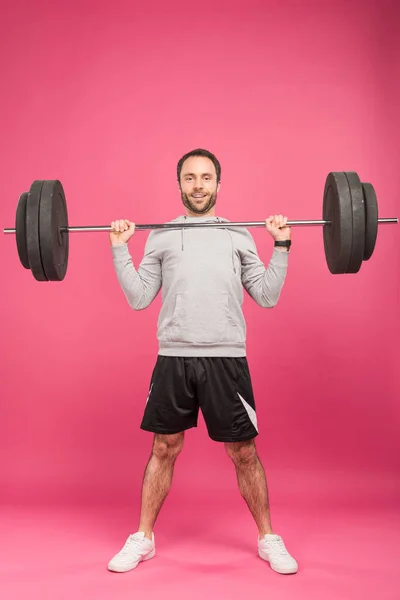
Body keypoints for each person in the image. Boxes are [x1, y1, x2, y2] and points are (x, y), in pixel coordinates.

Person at [107, 148, 298, 575]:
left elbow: (266, 295)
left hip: (226, 358)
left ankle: (269, 538)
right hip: (173, 357)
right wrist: (120, 248)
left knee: (243, 452)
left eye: (206, 177)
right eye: (190, 178)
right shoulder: (160, 235)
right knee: (163, 448)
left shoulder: (238, 235)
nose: (198, 185)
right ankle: (143, 538)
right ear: (179, 184)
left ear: (217, 183)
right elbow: (139, 298)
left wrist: (281, 245)